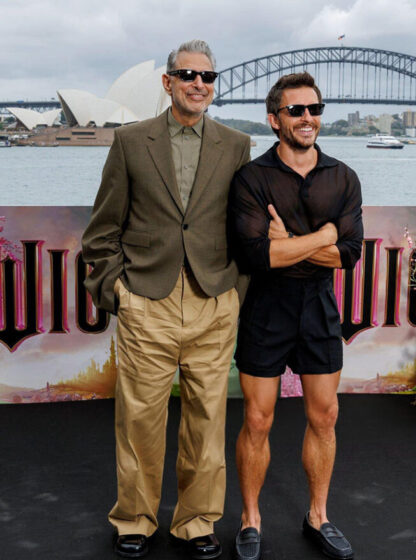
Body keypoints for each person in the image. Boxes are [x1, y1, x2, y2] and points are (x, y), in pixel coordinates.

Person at [82, 39, 251, 559]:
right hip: (146, 300)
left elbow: (245, 231)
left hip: (212, 300)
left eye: (208, 77)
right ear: (168, 81)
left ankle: (197, 521)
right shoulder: (132, 142)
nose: (199, 84)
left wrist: (234, 296)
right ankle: (134, 519)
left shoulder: (236, 143)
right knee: (139, 419)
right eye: (188, 75)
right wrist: (118, 293)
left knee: (207, 419)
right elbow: (102, 230)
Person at [229, 72, 363, 560]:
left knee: (324, 416)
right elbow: (255, 257)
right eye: (296, 110)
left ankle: (318, 517)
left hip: (319, 307)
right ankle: (250, 520)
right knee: (258, 420)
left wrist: (289, 243)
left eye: (315, 108)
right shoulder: (251, 178)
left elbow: (348, 254)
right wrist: (320, 237)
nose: (308, 118)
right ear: (274, 120)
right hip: (266, 307)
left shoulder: (343, 176)